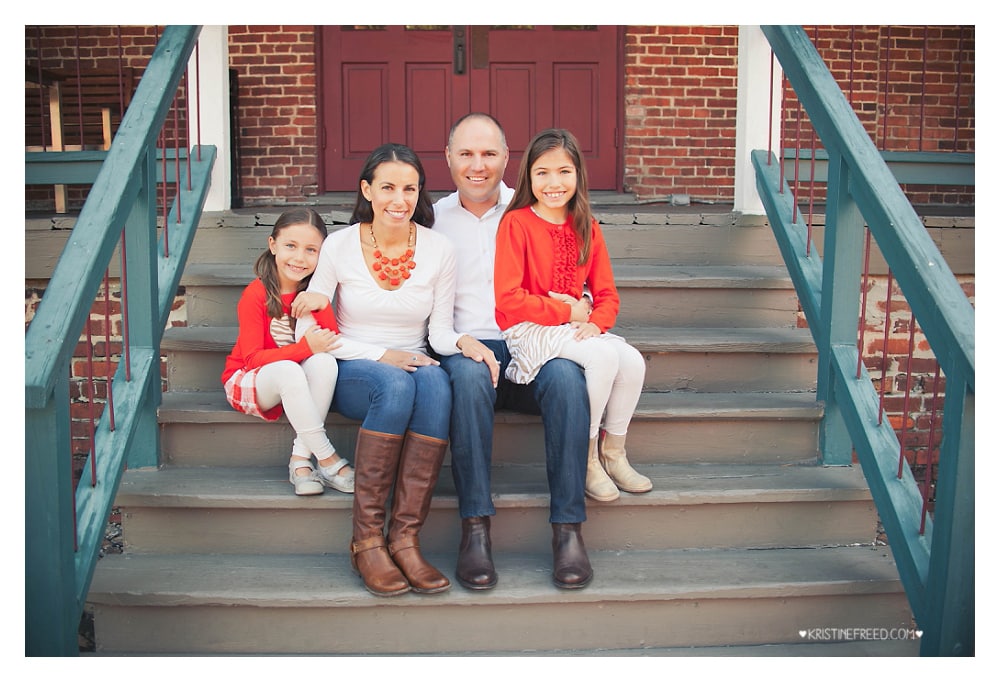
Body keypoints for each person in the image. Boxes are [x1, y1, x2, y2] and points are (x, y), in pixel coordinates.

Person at [433, 113, 594, 590]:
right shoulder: (431, 219)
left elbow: (580, 276)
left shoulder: (537, 210)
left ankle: (568, 532)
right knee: (466, 377)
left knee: (567, 378)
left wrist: (583, 305)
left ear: (508, 158)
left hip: (533, 344)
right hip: (463, 349)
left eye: (489, 154)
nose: (477, 165)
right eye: (466, 153)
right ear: (448, 158)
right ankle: (475, 531)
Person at [292, 143, 460, 597]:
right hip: (351, 365)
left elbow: (440, 332)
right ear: (367, 190)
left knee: (438, 384)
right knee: (395, 385)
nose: (398, 199)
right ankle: (366, 539)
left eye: (409, 188)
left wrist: (465, 344)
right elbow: (315, 324)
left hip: (413, 358)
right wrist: (380, 355)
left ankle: (404, 538)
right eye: (387, 187)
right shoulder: (339, 245)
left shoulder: (439, 249)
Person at [494, 128, 651, 505]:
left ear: (578, 174)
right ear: (528, 177)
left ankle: (613, 453)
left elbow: (608, 295)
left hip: (570, 328)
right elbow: (508, 298)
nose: (553, 182)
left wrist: (595, 321)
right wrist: (568, 310)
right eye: (542, 172)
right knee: (603, 356)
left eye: (564, 171)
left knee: (632, 361)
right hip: (526, 328)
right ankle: (586, 458)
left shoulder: (587, 227)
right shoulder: (516, 223)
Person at [220, 207, 355, 497]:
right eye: (290, 246)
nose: (299, 258)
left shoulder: (316, 292)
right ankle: (329, 459)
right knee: (291, 368)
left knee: (324, 363)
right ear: (273, 246)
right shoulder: (256, 294)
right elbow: (252, 359)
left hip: (293, 381)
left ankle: (300, 463)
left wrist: (321, 304)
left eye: (311, 250)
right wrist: (305, 347)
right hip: (249, 379)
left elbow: (330, 340)